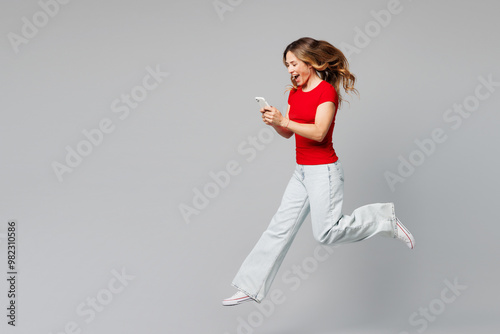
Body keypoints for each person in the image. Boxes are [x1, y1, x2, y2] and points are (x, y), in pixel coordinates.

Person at [222, 37, 415, 306]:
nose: (290, 70)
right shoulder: (293, 94)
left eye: (293, 63)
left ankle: (385, 220)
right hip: (301, 173)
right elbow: (289, 133)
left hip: (324, 171)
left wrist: (284, 120)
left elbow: (319, 132)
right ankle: (249, 286)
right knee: (278, 229)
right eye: (286, 65)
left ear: (309, 62)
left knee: (326, 233)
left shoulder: (327, 92)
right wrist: (275, 122)